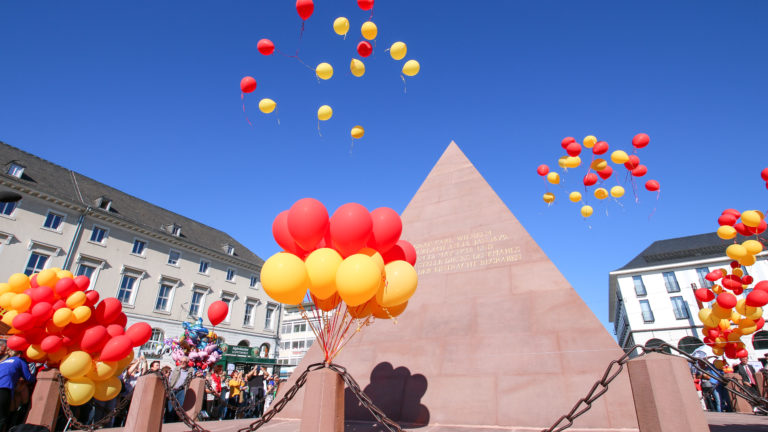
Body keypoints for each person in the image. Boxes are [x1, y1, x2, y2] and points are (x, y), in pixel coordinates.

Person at [0, 349, 35, 432]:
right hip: (4, 388)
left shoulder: (3, 361)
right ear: (20, 354)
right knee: (2, 418)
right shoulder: (19, 360)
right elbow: (29, 378)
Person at [166, 357, 190, 422]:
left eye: (184, 362)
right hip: (173, 390)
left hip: (181, 390)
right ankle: (169, 422)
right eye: (181, 361)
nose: (182, 363)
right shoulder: (175, 370)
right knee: (170, 407)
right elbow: (170, 380)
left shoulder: (189, 371)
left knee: (180, 407)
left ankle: (177, 422)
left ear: (187, 363)